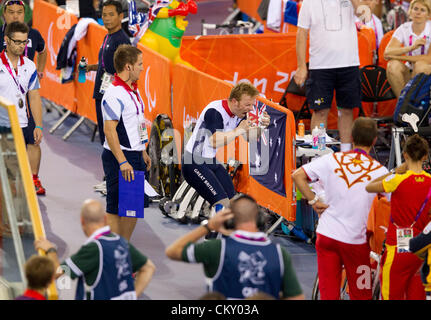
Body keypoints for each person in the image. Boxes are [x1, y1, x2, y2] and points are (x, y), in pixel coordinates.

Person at [292, 117, 389, 300]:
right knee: (361, 295)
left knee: (329, 295)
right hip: (356, 243)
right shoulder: (380, 172)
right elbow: (395, 202)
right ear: (375, 140)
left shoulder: (331, 159)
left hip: (327, 237)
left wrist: (314, 201)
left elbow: (297, 176)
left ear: (351, 137)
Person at [165, 194, 305, 300]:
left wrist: (209, 226)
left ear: (229, 220)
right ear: (261, 220)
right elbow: (296, 297)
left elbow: (173, 251)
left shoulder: (217, 249)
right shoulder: (280, 254)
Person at [34, 199, 156, 300]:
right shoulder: (121, 242)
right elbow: (149, 267)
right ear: (104, 219)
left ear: (82, 221)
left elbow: (58, 272)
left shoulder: (93, 249)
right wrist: (133, 296)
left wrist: (51, 250)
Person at [182, 82, 270, 211]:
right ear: (234, 102)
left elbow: (249, 137)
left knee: (234, 203)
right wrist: (239, 130)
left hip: (210, 161)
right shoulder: (215, 111)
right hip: (194, 162)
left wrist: (262, 126)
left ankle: (229, 230)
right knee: (222, 204)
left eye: (252, 105)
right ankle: (216, 231)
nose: (251, 109)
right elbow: (214, 141)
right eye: (247, 105)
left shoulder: (239, 113)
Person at [294, 0, 366, 152]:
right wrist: (301, 66)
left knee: (347, 110)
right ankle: (317, 152)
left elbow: (365, 16)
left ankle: (346, 154)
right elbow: (301, 33)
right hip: (320, 66)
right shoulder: (309, 3)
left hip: (348, 63)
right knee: (319, 111)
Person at [366, 134, 431, 300]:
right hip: (422, 251)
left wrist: (396, 170)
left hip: (397, 248)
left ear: (405, 155)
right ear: (425, 156)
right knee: (417, 295)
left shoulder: (396, 180)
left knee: (391, 295)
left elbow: (369, 187)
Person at [101, 44, 151, 241]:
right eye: (139, 64)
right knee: (116, 207)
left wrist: (143, 151)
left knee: (133, 208)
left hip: (134, 154)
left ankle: (123, 247)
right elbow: (109, 130)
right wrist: (122, 161)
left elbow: (137, 122)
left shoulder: (133, 90)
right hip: (119, 157)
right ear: (128, 67)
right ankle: (116, 252)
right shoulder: (114, 94)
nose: (142, 68)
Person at [0, 0, 47, 195]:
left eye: (19, 12)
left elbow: (35, 97)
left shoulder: (29, 63)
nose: (15, 16)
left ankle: (33, 178)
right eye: (11, 12)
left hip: (23, 105)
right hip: (3, 110)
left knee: (32, 142)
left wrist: (38, 125)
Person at [0, 22, 43, 173]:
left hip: (23, 126)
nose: (21, 46)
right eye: (17, 42)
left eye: (24, 42)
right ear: (7, 40)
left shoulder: (30, 66)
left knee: (17, 172)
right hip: (3, 126)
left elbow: (34, 97)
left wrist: (38, 125)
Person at [86, 0, 131, 146]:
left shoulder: (122, 41)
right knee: (106, 141)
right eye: (104, 15)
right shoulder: (108, 36)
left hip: (112, 98)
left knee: (114, 141)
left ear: (121, 16)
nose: (107, 18)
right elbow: (108, 65)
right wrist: (92, 67)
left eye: (111, 15)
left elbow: (127, 72)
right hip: (102, 94)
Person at [384, 0, 431, 98]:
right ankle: (403, 106)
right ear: (410, 11)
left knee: (420, 66)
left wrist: (400, 57)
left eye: (422, 10)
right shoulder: (404, 28)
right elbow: (387, 52)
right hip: (409, 70)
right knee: (392, 65)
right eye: (415, 9)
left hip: (426, 70)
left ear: (428, 15)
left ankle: (415, 106)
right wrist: (411, 48)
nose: (418, 12)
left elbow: (428, 59)